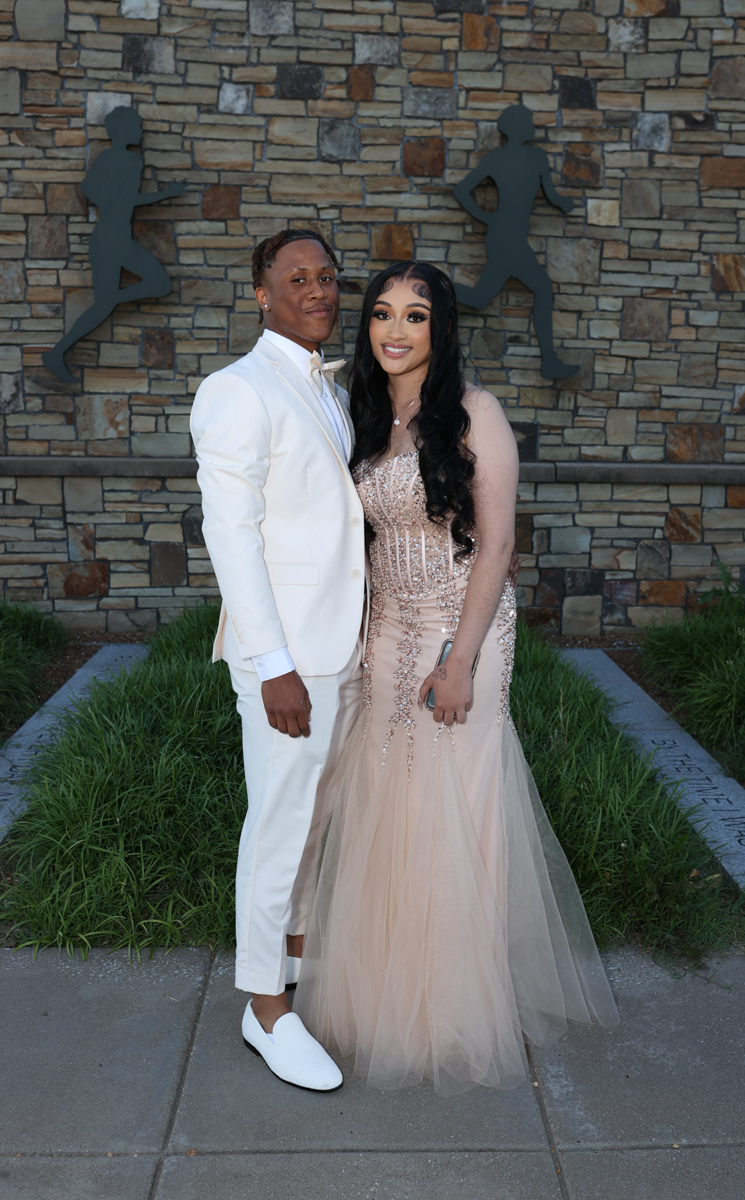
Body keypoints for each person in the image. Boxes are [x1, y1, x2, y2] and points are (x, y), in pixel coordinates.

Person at [293, 262, 619, 1095]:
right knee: (385, 800)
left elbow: (498, 545)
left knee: (455, 802)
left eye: (416, 315)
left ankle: (455, 1005)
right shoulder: (363, 415)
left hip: (459, 631)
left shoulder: (476, 413)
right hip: (384, 633)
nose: (396, 330)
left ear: (441, 328)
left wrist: (461, 661)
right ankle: (385, 992)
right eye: (382, 314)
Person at [190, 229, 367, 1092]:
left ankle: (292, 960)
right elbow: (231, 536)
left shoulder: (331, 389)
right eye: (297, 278)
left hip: (345, 642)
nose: (318, 290)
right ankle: (263, 1007)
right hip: (290, 655)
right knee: (279, 823)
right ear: (261, 294)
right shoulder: (237, 389)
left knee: (316, 817)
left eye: (327, 276)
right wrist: (273, 665)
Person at [43, 106, 183, 384]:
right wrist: (166, 194)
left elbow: (94, 189)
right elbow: (113, 195)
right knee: (157, 285)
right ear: (123, 130)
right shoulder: (129, 161)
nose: (141, 131)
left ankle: (58, 351)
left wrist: (111, 200)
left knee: (149, 288)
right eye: (136, 126)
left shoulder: (113, 157)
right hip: (111, 240)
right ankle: (58, 352)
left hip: (113, 238)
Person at [453, 104, 579, 382]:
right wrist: (487, 218)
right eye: (530, 121)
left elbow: (551, 196)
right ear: (519, 127)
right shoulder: (524, 157)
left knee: (480, 298)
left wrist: (563, 204)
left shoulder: (528, 158)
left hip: (507, 237)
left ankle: (435, 289)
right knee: (541, 288)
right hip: (505, 239)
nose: (534, 125)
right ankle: (549, 363)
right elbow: (461, 190)